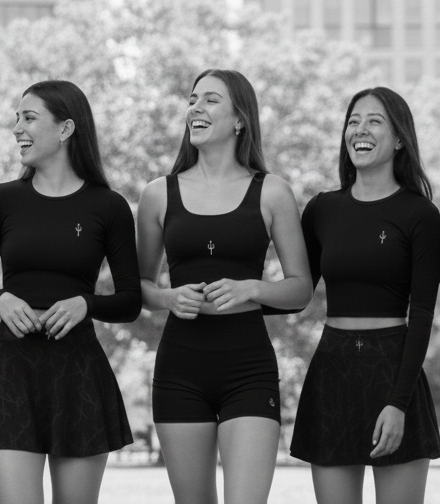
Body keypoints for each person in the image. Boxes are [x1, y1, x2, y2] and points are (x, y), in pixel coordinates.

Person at [134, 69, 312, 504]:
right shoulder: (158, 194)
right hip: (179, 369)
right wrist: (168, 297)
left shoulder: (273, 192)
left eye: (211, 99)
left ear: (240, 119)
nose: (196, 107)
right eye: (192, 99)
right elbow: (139, 286)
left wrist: (253, 288)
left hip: (248, 369)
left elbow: (301, 289)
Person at [0, 80, 141, 504]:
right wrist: (0, 298)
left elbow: (131, 301)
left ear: (65, 128)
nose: (17, 129)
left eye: (29, 118)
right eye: (17, 118)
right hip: (12, 372)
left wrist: (86, 304)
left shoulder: (109, 206)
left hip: (79, 374)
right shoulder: (1, 200)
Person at [289, 87, 440, 504]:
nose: (360, 129)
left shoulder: (420, 214)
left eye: (375, 121)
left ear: (399, 139)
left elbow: (423, 314)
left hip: (393, 369)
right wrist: (243, 290)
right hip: (332, 368)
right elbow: (298, 293)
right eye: (353, 121)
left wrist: (399, 403)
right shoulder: (322, 209)